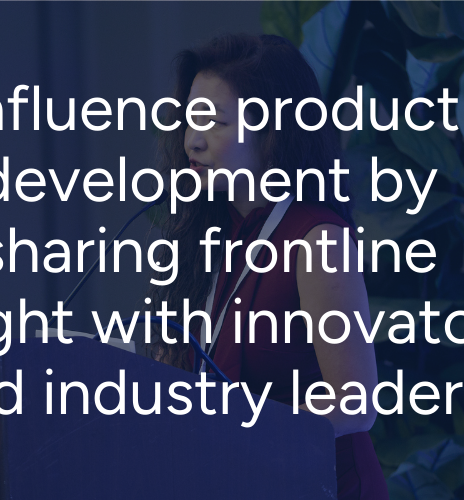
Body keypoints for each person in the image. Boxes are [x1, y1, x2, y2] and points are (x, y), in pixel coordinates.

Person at [147, 34, 388, 499]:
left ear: (272, 133)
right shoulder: (206, 237)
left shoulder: (316, 239)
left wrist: (242, 431)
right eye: (191, 119)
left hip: (322, 487)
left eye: (215, 122)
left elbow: (355, 402)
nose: (192, 141)